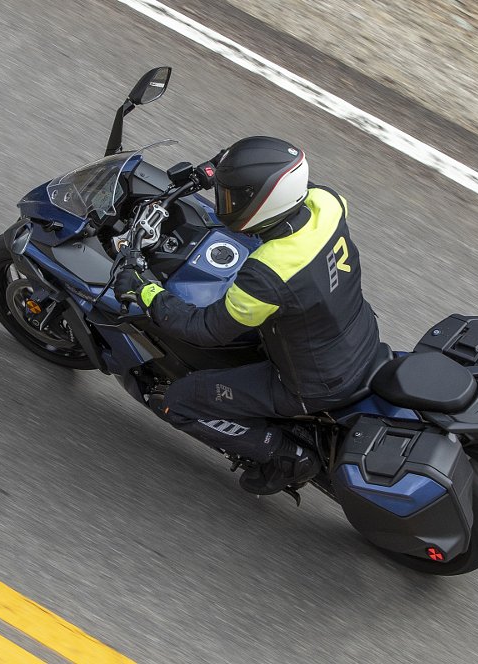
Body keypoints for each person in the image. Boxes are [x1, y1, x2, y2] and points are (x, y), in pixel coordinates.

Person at [115, 136, 380, 495]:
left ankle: (285, 456)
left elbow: (205, 328)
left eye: (233, 198)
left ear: (261, 205)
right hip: (359, 337)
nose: (226, 204)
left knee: (178, 401)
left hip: (313, 384)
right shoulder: (327, 203)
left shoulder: (268, 273)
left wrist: (144, 288)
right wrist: (215, 174)